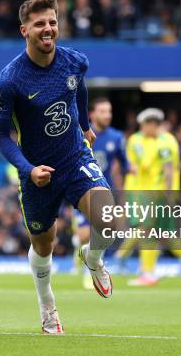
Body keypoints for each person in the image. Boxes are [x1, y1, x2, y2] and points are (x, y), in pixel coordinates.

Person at [0, 0, 115, 334]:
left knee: (111, 220)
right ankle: (47, 305)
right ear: (24, 30)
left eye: (52, 22)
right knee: (43, 246)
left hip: (74, 158)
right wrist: (28, 169)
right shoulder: (9, 80)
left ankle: (92, 259)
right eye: (39, 24)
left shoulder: (75, 61)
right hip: (36, 174)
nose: (48, 29)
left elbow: (80, 91)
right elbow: (1, 137)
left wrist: (86, 124)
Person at [121, 108, 181, 287]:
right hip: (154, 194)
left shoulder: (164, 142)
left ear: (152, 124)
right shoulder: (153, 140)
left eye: (144, 126)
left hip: (159, 194)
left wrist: (167, 194)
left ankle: (147, 273)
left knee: (147, 230)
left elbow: (168, 170)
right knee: (164, 235)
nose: (141, 129)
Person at [73, 97, 128, 289]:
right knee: (82, 235)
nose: (107, 115)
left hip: (104, 189)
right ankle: (85, 262)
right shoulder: (80, 133)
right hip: (80, 188)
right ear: (92, 114)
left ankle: (92, 267)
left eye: (109, 111)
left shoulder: (117, 138)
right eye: (103, 111)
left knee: (103, 230)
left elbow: (123, 164)